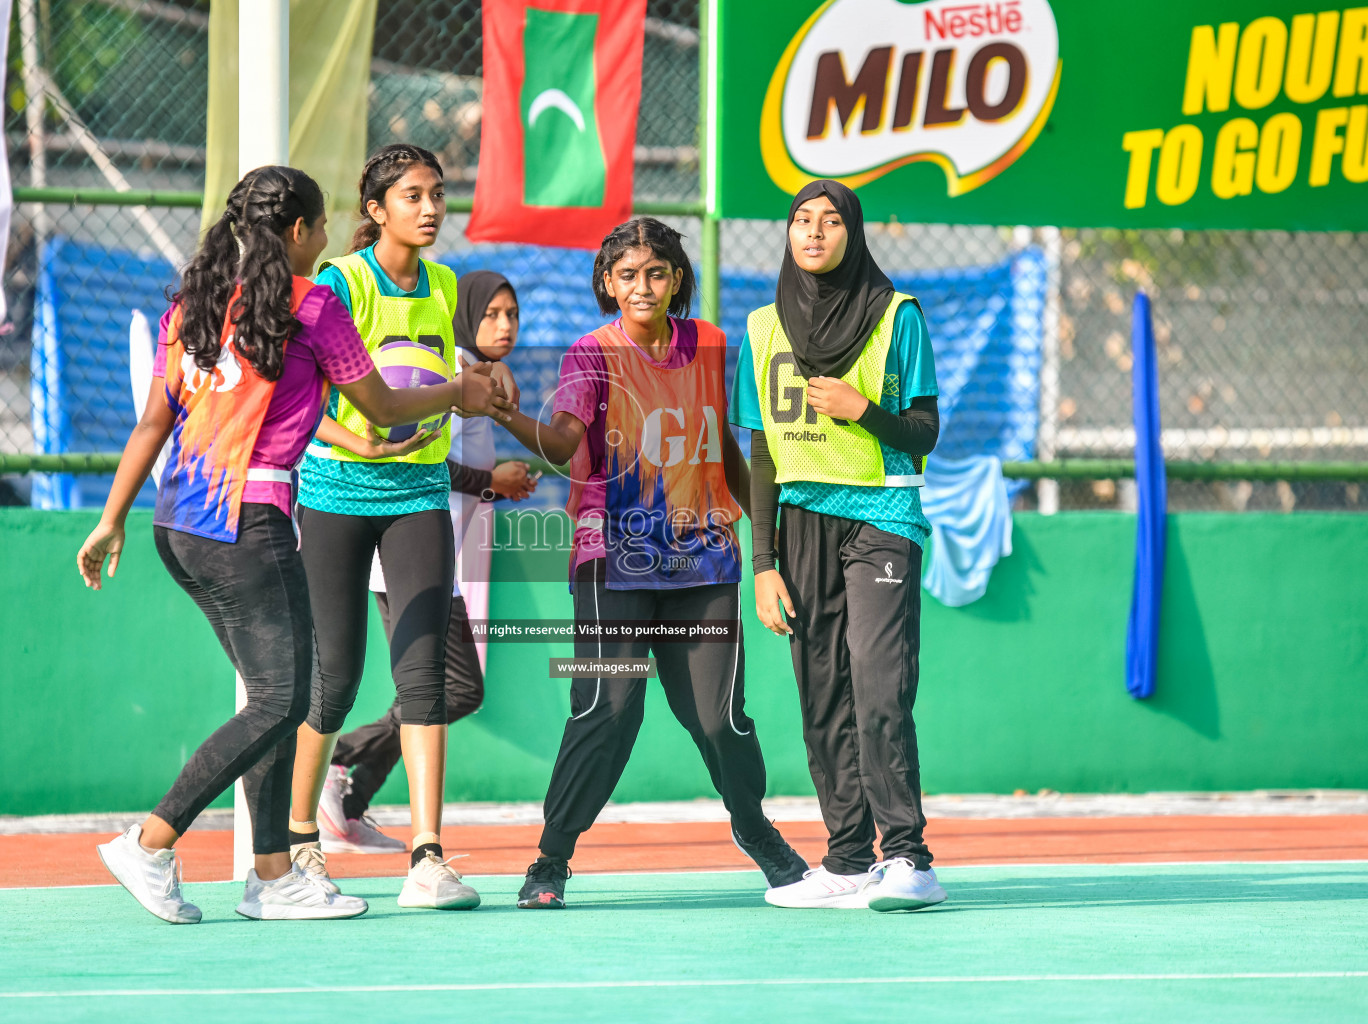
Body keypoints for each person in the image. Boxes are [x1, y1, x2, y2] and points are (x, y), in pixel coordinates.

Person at [76, 164, 505, 924]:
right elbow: (379, 403)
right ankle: (151, 841)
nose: (330, 237)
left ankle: (273, 874)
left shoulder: (197, 302)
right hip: (250, 521)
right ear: (300, 231)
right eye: (324, 224)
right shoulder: (313, 305)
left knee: (275, 700)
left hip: (178, 522)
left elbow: (153, 421)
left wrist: (109, 519)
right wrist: (456, 392)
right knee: (283, 697)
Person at [497, 217, 809, 910]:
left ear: (677, 280)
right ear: (608, 283)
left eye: (657, 272)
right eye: (629, 274)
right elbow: (560, 444)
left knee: (718, 719)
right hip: (613, 561)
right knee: (608, 708)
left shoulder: (710, 344)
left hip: (706, 560)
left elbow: (722, 445)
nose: (644, 286)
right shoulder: (590, 354)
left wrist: (767, 539)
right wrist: (510, 416)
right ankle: (550, 860)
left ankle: (758, 833)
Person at [287, 144, 512, 910]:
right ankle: (298, 845)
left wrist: (487, 383)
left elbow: (459, 384)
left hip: (417, 495)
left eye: (438, 193)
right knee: (337, 678)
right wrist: (357, 439)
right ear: (376, 210)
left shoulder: (447, 286)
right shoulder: (340, 282)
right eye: (411, 194)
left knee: (426, 676)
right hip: (338, 493)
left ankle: (427, 858)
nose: (430, 206)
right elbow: (304, 393)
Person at [730, 179, 946, 912]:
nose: (813, 232)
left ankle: (909, 857)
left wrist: (865, 411)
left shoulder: (897, 315)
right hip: (801, 524)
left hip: (882, 514)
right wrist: (762, 563)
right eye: (801, 220)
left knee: (879, 684)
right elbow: (761, 452)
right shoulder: (762, 328)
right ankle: (849, 860)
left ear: (853, 233)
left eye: (829, 221)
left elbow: (925, 432)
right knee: (821, 695)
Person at [317, 271, 537, 854]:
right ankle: (330, 761)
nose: (506, 325)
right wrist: (492, 480)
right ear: (466, 315)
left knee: (452, 690)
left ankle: (346, 796)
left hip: (442, 560)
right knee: (446, 689)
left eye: (512, 314)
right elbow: (427, 460)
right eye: (492, 314)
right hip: (403, 557)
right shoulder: (448, 374)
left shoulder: (471, 371)